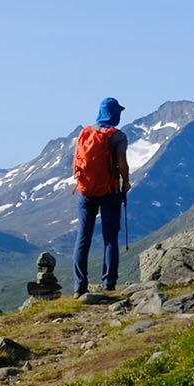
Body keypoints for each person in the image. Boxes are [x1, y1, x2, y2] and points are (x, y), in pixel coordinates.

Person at [72, 96, 131, 296]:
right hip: (110, 190)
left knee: (83, 237)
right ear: (114, 114)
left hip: (85, 190)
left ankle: (79, 286)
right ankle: (109, 282)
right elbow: (121, 163)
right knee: (110, 237)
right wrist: (127, 181)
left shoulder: (85, 132)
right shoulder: (118, 136)